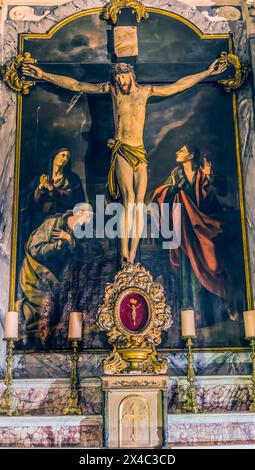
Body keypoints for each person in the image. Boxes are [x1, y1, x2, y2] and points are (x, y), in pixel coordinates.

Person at [22, 59, 227, 265]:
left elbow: (176, 86)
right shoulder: (112, 91)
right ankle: (124, 254)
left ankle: (133, 252)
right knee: (128, 200)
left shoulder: (145, 92)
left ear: (131, 75)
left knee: (139, 203)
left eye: (123, 76)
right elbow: (76, 85)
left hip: (139, 151)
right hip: (122, 151)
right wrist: (43, 75)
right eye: (117, 77)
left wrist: (207, 72)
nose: (120, 81)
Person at [152, 144, 229, 318]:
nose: (177, 152)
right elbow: (163, 200)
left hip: (205, 229)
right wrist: (172, 188)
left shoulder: (204, 173)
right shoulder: (176, 175)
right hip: (185, 234)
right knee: (188, 272)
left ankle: (212, 314)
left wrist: (210, 177)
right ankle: (191, 315)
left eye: (182, 151)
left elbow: (222, 191)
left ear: (191, 155)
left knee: (212, 266)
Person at [16, 205, 93, 342]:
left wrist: (69, 240)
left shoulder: (79, 233)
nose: (87, 222)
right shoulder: (52, 223)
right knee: (42, 309)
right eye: (87, 216)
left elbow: (84, 256)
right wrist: (56, 246)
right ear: (79, 212)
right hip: (37, 274)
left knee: (61, 311)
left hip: (60, 280)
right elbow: (34, 249)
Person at [20, 148, 85, 240]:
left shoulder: (72, 179)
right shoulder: (40, 178)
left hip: (62, 219)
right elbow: (31, 202)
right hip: (41, 220)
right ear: (54, 156)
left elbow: (75, 199)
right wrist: (39, 188)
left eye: (67, 157)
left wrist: (52, 188)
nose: (65, 158)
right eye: (63, 155)